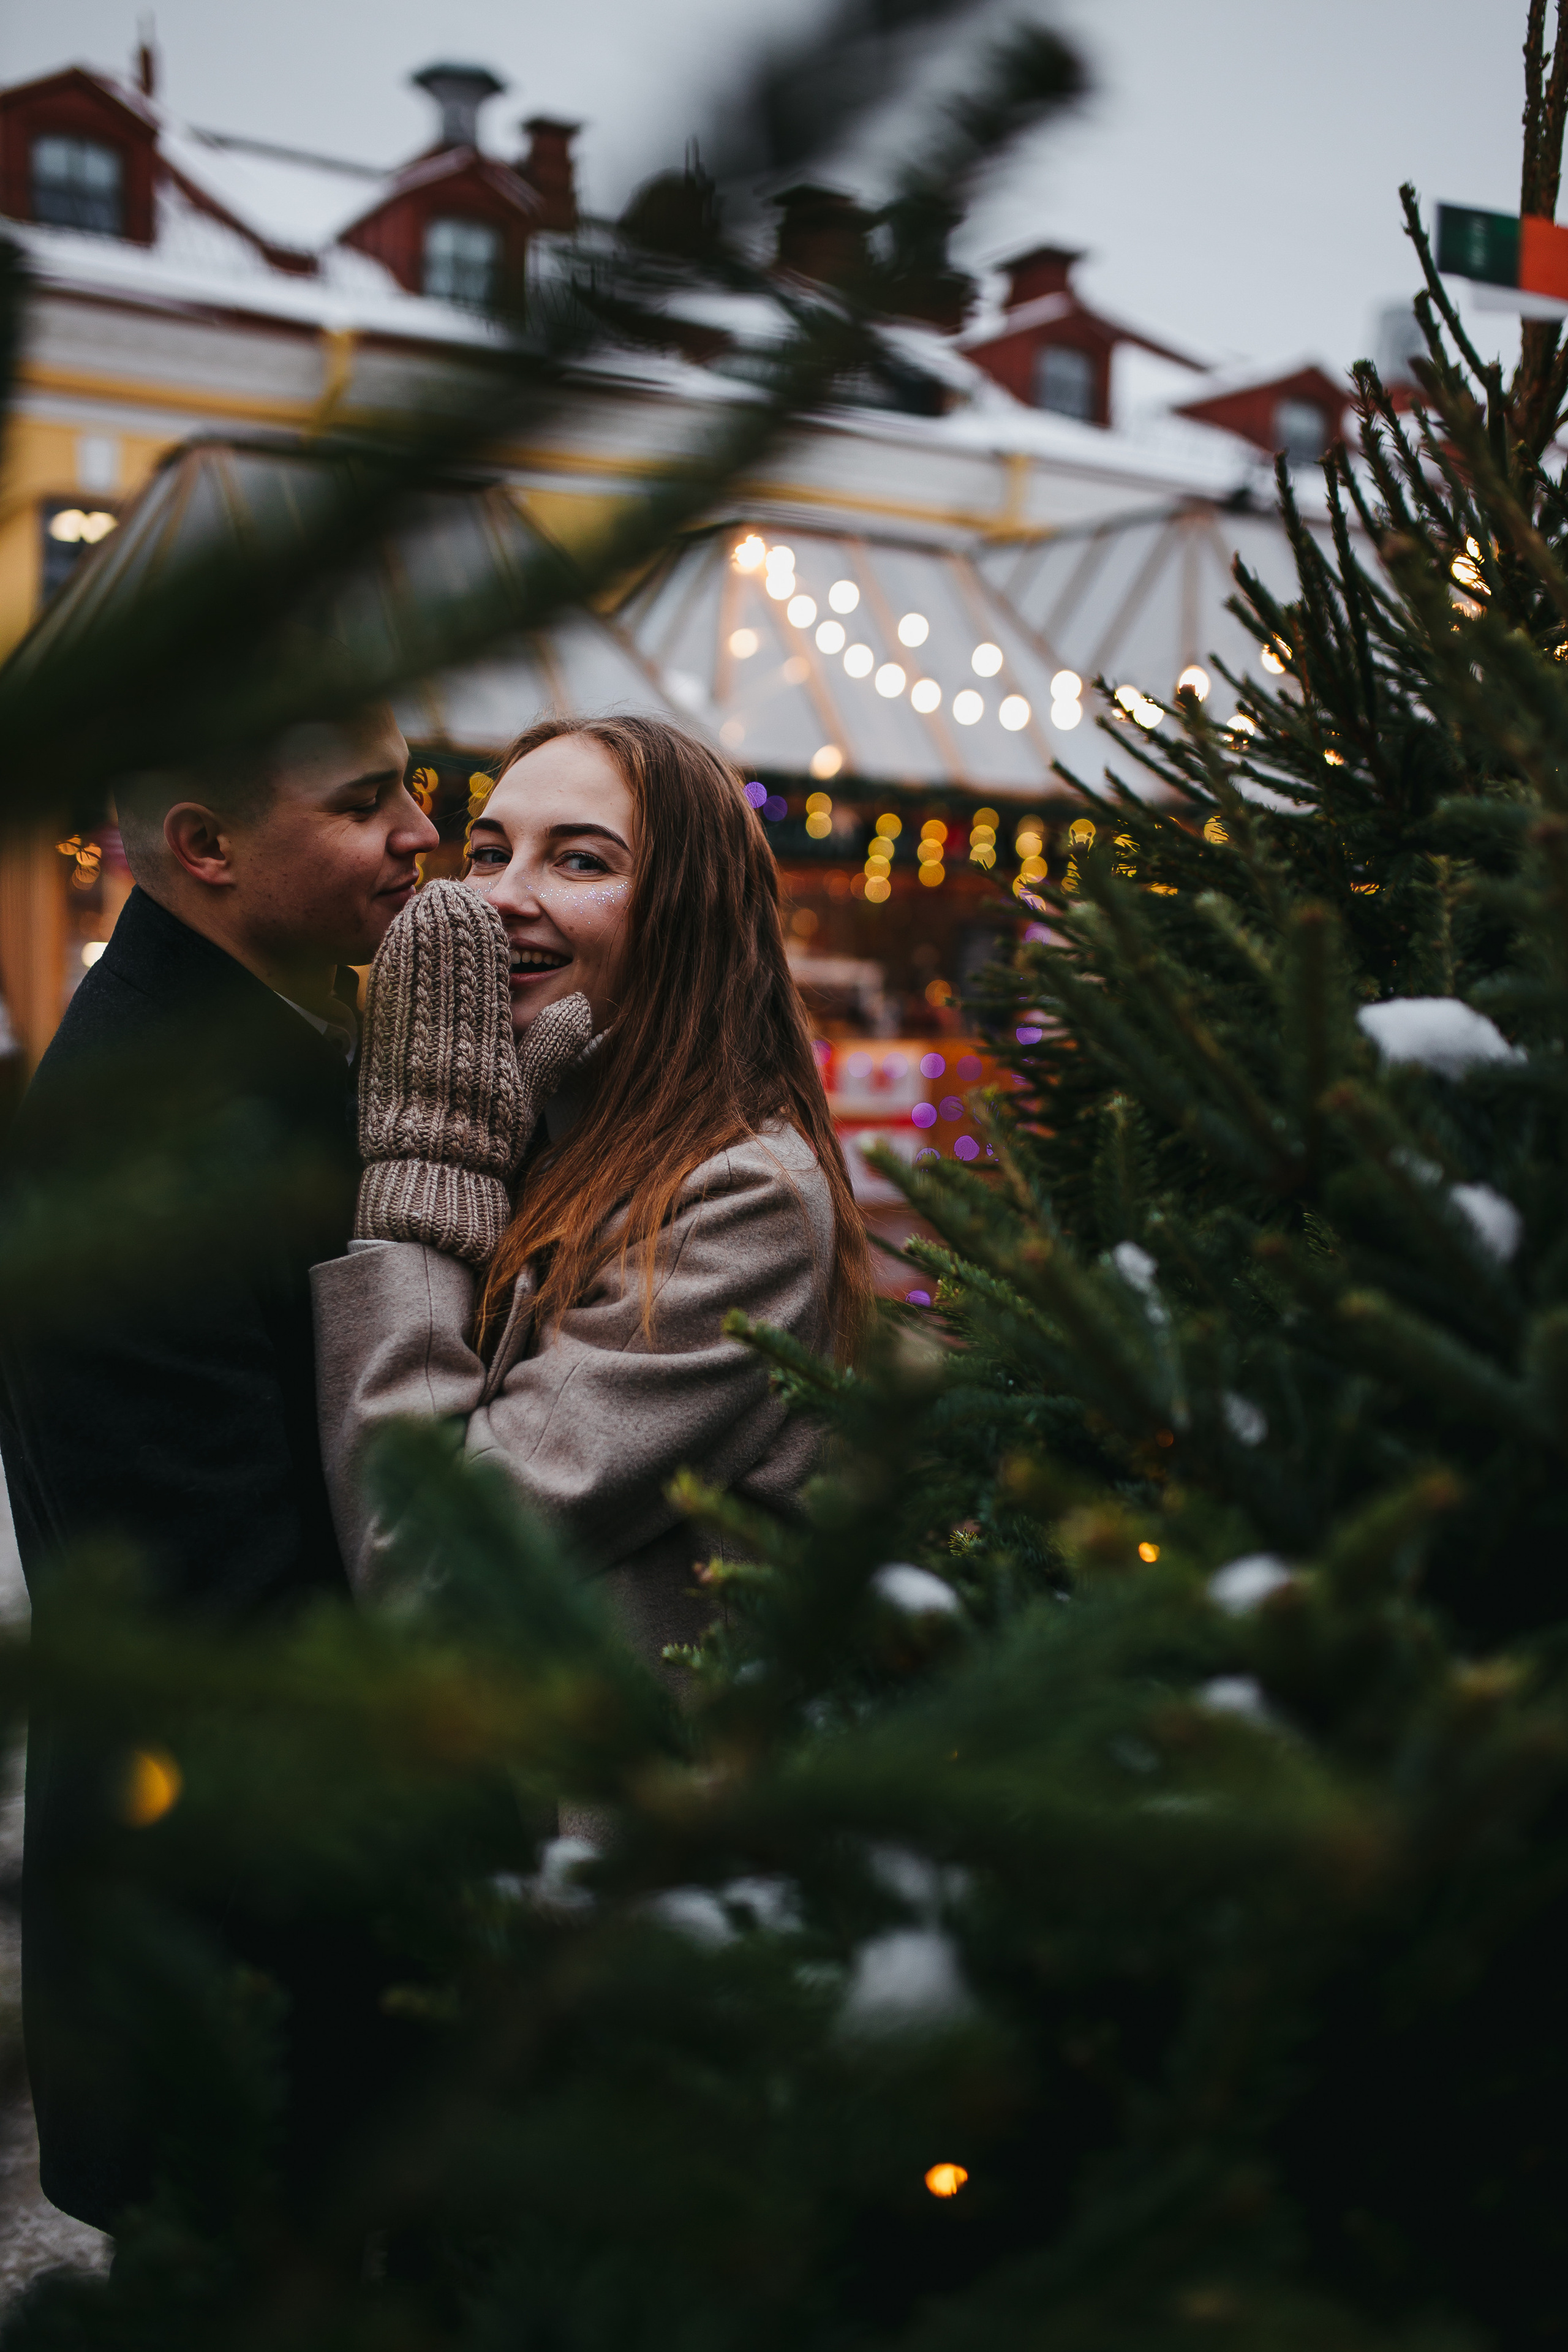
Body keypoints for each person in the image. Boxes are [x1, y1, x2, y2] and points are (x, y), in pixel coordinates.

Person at [0, 694, 439, 2231]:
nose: (422, 835)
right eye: (365, 801)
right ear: (203, 848)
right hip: (235, 1957)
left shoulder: (265, 1058)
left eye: (417, 789)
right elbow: (225, 1619)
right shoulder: (157, 1144)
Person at [313, 714, 872, 1668]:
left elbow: (427, 1569)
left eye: (580, 863)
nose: (497, 898)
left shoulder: (744, 1202)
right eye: (488, 854)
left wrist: (433, 1160)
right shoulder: (533, 1122)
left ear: (687, 918)